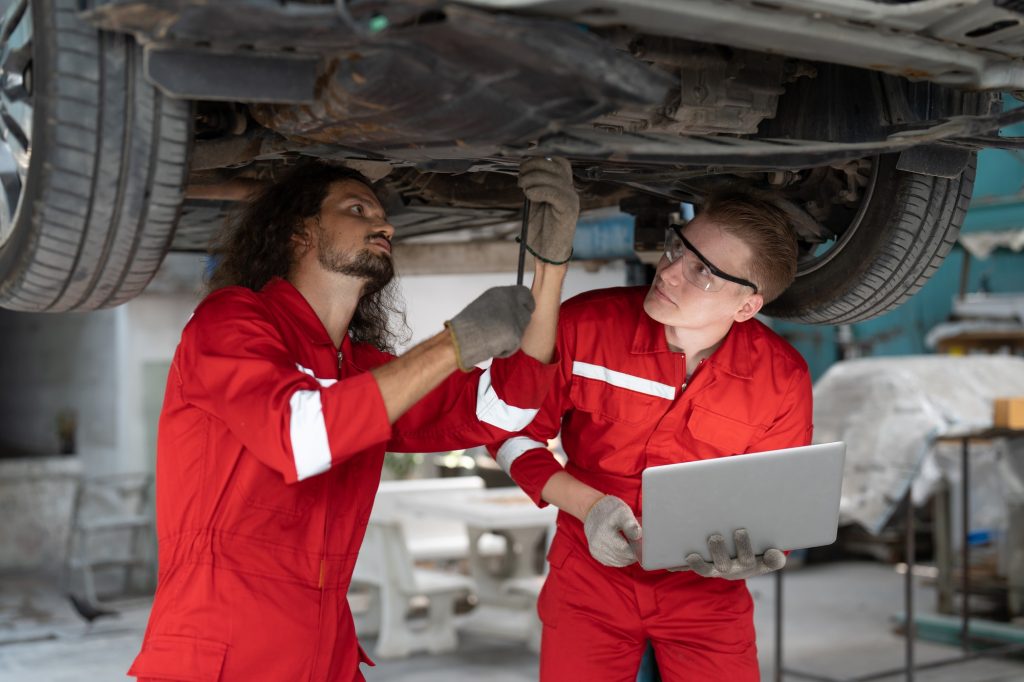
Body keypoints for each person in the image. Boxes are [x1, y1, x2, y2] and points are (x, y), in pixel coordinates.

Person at [127, 157, 579, 682]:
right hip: (223, 657)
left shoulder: (359, 369)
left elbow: (502, 408)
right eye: (357, 209)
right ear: (300, 232)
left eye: (383, 215)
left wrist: (550, 268)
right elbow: (300, 434)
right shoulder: (229, 321)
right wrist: (452, 345)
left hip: (325, 652)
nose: (383, 225)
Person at [490, 190, 813, 681]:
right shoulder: (586, 326)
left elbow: (777, 507)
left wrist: (752, 557)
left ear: (746, 306)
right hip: (589, 575)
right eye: (677, 248)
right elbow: (510, 435)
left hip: (705, 593)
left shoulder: (781, 379)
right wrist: (589, 508)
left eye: (703, 272)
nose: (668, 271)